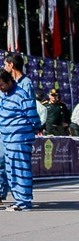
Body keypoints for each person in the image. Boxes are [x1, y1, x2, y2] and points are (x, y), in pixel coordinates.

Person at [0, 69, 40, 212]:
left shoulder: (21, 95)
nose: (0, 88)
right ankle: (19, 200)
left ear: (9, 81)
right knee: (11, 171)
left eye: (1, 85)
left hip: (19, 139)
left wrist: (29, 132)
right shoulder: (3, 96)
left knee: (20, 170)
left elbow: (33, 118)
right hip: (7, 139)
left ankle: (24, 202)